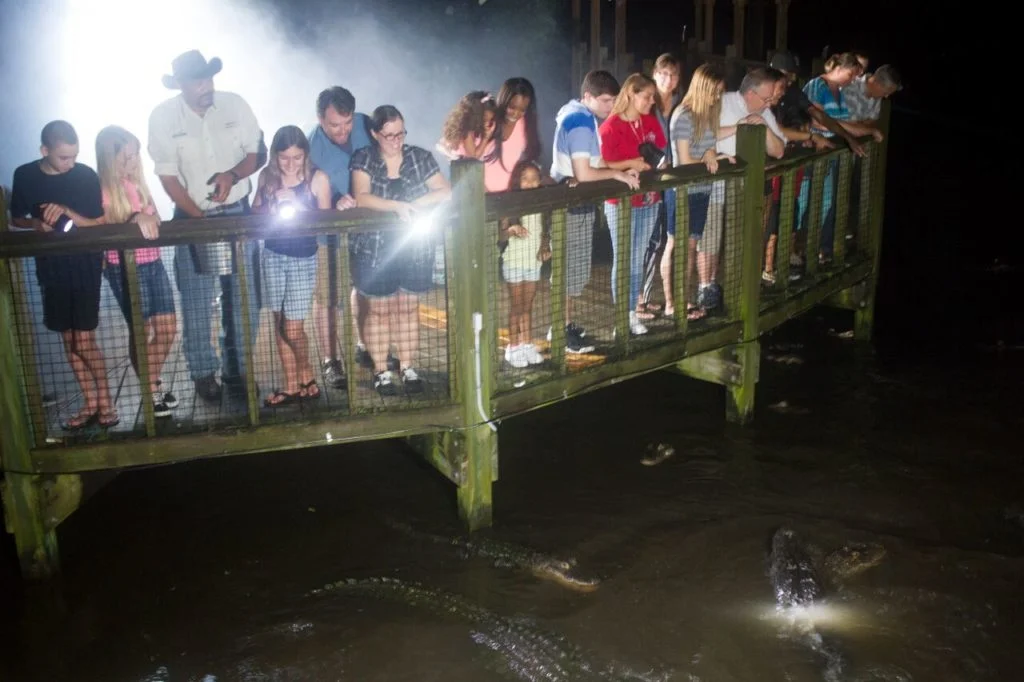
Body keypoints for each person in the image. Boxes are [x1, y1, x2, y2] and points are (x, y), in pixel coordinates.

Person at [148, 50, 262, 403]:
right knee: (196, 302)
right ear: (180, 84)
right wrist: (196, 218)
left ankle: (237, 369)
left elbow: (256, 153)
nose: (205, 86)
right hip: (191, 218)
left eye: (208, 78)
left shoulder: (235, 105)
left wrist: (232, 174)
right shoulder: (163, 117)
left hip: (237, 214)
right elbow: (167, 177)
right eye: (197, 81)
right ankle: (202, 374)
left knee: (244, 299)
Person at [8, 121, 117, 430]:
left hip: (84, 263)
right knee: (68, 341)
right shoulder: (25, 175)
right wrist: (36, 225)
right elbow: (16, 217)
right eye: (63, 158)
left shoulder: (85, 175)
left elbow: (99, 222)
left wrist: (68, 212)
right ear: (45, 151)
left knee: (83, 340)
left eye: (74, 156)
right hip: (51, 265)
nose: (71, 163)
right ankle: (91, 401)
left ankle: (106, 400)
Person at [349, 105, 451, 395]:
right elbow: (362, 196)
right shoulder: (363, 158)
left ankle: (407, 366)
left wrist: (415, 205)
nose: (396, 140)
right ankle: (381, 370)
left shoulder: (419, 156)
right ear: (375, 133)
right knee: (378, 311)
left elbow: (445, 190)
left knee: (408, 308)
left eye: (400, 133)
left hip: (414, 246)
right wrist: (397, 206)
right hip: (374, 247)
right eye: (389, 135)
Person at [551, 69, 640, 352]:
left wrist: (622, 170)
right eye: (604, 100)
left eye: (613, 100)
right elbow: (584, 173)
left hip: (576, 202)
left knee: (573, 270)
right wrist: (617, 176)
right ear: (587, 96)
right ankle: (561, 331)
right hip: (571, 203)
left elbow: (592, 166)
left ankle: (565, 324)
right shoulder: (579, 120)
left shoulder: (581, 115)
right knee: (569, 270)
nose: (610, 107)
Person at [95, 125, 178, 418]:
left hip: (153, 262)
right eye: (126, 157)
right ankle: (152, 389)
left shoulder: (139, 183)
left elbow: (154, 217)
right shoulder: (101, 189)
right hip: (124, 267)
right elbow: (102, 226)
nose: (132, 162)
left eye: (134, 155)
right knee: (140, 331)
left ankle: (149, 384)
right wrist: (134, 217)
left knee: (168, 328)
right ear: (110, 158)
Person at [252, 126, 332, 407]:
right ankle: (291, 384)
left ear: (305, 155)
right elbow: (255, 212)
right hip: (273, 254)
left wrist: (297, 202)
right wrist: (269, 202)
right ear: (275, 156)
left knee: (293, 328)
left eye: (297, 157)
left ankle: (306, 372)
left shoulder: (318, 178)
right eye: (284, 158)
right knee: (278, 324)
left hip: (303, 257)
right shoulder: (267, 176)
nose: (290, 164)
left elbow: (326, 221)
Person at [308, 86, 373, 389]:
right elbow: (306, 189)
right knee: (328, 298)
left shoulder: (365, 124)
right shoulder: (312, 146)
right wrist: (334, 203)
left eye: (347, 123)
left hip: (368, 227)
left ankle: (366, 346)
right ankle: (330, 360)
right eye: (335, 125)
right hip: (331, 235)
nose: (343, 130)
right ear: (321, 119)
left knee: (366, 287)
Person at [598, 73, 666, 336]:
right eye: (647, 96)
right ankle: (620, 318)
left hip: (649, 199)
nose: (651, 101)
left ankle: (631, 313)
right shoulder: (610, 126)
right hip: (621, 202)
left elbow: (660, 154)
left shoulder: (650, 122)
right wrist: (631, 163)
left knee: (637, 259)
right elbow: (601, 163)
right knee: (624, 257)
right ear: (631, 94)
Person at [668, 63, 735, 319]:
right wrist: (709, 160)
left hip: (701, 190)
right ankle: (678, 304)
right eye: (715, 92)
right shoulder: (684, 115)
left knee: (690, 246)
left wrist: (714, 155)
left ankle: (680, 301)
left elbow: (707, 146)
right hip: (685, 191)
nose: (717, 98)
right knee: (684, 248)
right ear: (703, 87)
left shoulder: (704, 115)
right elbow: (684, 161)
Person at [803, 52, 883, 264]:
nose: (850, 80)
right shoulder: (816, 86)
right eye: (850, 74)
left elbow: (838, 121)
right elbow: (819, 121)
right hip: (814, 153)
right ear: (838, 68)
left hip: (833, 153)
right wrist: (851, 131)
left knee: (827, 201)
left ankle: (821, 248)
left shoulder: (839, 91)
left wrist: (858, 131)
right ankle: (803, 248)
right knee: (805, 202)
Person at [640, 53, 684, 315]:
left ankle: (645, 296)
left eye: (674, 74)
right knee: (650, 239)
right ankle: (639, 299)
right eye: (663, 73)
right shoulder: (647, 102)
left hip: (675, 179)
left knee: (665, 239)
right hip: (652, 179)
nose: (668, 79)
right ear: (654, 74)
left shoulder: (682, 102)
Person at [499, 161, 550, 368]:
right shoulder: (510, 204)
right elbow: (500, 236)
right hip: (513, 262)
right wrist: (511, 230)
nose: (530, 183)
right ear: (517, 181)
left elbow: (545, 232)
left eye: (534, 179)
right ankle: (513, 346)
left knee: (528, 306)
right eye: (525, 179)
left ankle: (527, 343)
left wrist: (546, 249)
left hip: (533, 263)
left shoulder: (542, 204)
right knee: (516, 307)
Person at [485, 78, 542, 193]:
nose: (516, 114)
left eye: (522, 110)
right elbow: (467, 161)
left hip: (510, 196)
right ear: (503, 100)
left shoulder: (525, 126)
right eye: (512, 107)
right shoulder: (488, 122)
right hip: (482, 197)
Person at [438, 90, 498, 162]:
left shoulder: (478, 130)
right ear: (475, 116)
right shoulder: (466, 130)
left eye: (490, 120)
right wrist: (485, 138)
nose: (487, 124)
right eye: (484, 120)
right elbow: (473, 157)